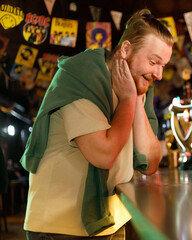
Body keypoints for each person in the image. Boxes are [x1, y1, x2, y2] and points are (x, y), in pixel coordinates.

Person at [20, 9, 173, 239]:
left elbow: (150, 162)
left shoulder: (137, 90)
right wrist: (129, 100)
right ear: (126, 50)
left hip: (107, 220)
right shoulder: (82, 75)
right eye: (154, 62)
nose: (159, 74)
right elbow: (103, 154)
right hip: (60, 226)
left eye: (164, 66)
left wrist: (136, 100)